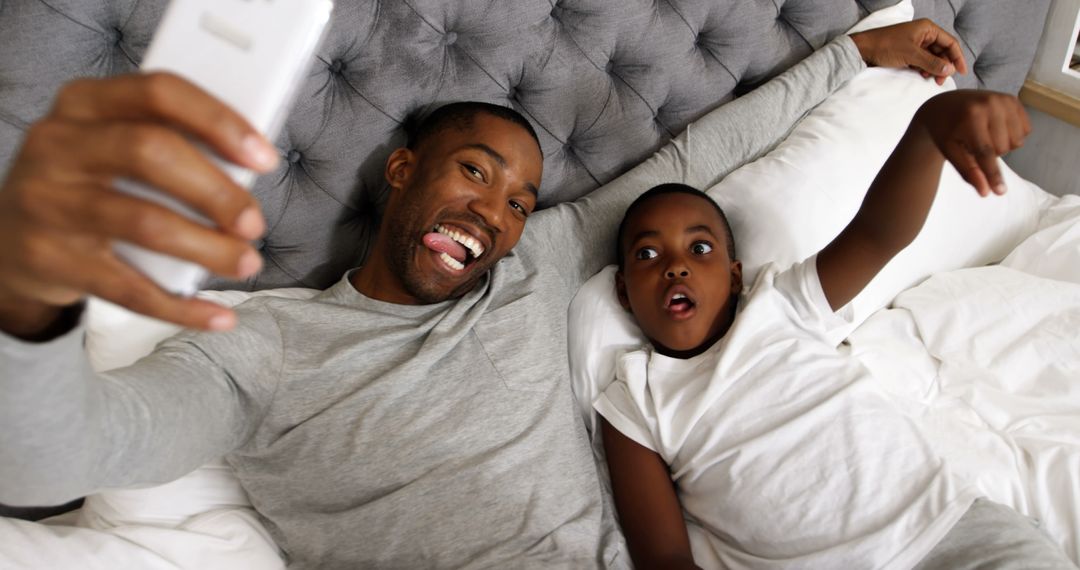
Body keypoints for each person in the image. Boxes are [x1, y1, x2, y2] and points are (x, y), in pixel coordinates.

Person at [0, 21, 968, 568]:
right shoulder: (262, 347)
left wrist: (856, 55)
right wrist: (28, 299)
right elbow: (59, 460)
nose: (495, 214)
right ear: (402, 169)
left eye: (518, 200)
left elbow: (692, 161)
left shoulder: (535, 268)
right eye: (473, 172)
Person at [597, 90, 1077, 569]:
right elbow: (664, 557)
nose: (676, 267)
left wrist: (928, 130)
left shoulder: (778, 304)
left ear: (736, 275)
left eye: (699, 249)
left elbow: (877, 234)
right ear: (623, 293)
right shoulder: (636, 396)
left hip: (955, 532)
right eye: (647, 254)